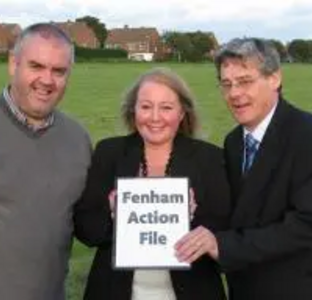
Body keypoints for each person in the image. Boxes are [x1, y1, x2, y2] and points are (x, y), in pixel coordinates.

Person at [176, 37, 312, 299]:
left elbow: (307, 225)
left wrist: (223, 245)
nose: (234, 93)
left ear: (274, 79)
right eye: (226, 84)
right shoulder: (234, 142)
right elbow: (239, 214)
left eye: (245, 81)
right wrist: (184, 211)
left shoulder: (310, 135)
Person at [0, 23, 92, 300]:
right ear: (13, 64)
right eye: (36, 66)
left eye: (59, 71)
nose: (47, 80)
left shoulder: (78, 140)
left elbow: (87, 224)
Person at [74, 67, 231, 300]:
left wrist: (193, 223)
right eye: (146, 106)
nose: (155, 117)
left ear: (182, 113)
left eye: (166, 108)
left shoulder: (210, 159)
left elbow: (227, 233)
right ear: (133, 110)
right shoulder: (109, 153)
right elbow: (86, 229)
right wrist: (115, 216)